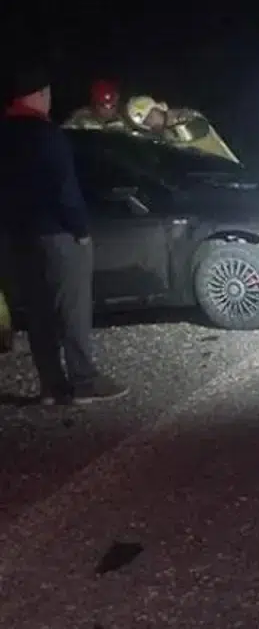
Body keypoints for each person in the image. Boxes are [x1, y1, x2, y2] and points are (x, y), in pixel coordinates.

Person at [0, 65, 128, 404]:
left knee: (38, 313)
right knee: (73, 309)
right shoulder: (47, 134)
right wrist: (80, 230)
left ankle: (51, 387)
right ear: (41, 95)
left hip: (16, 236)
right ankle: (84, 381)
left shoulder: (4, 133)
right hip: (57, 234)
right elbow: (64, 189)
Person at [123, 95, 241, 164]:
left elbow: (183, 136)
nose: (150, 123)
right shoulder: (161, 136)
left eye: (150, 116)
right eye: (145, 122)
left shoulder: (187, 117)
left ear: (157, 108)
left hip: (228, 171)